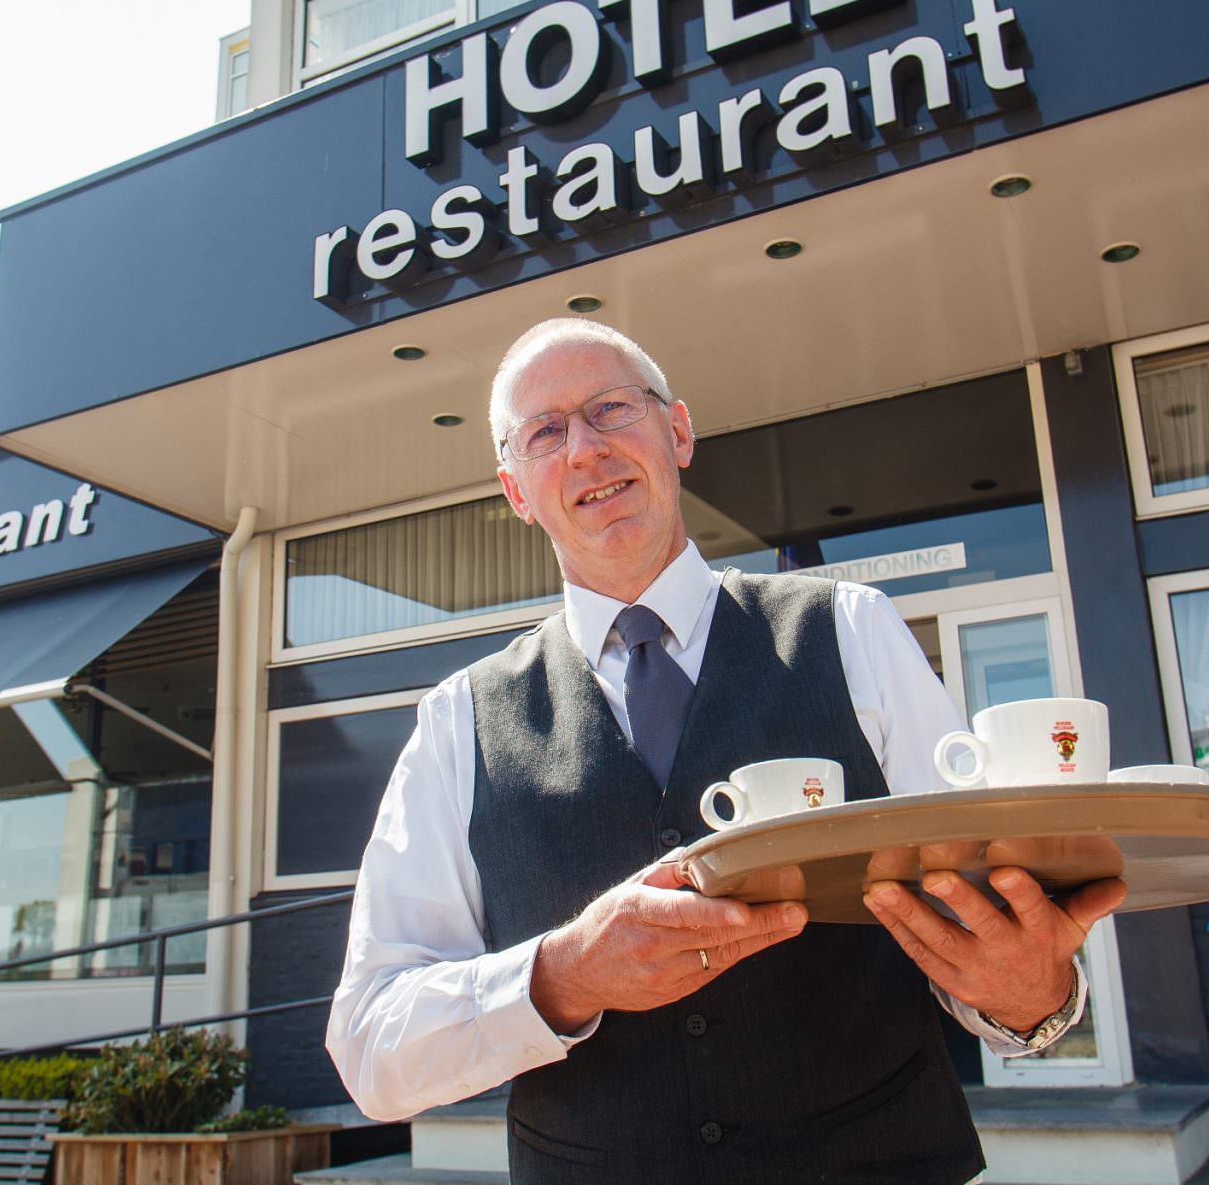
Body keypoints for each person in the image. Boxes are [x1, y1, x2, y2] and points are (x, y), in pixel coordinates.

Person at [326, 319, 1125, 1184]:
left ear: (677, 432)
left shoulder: (849, 631)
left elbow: (988, 928)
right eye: (545, 433)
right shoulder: (459, 722)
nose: (585, 449)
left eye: (610, 409)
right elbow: (370, 1049)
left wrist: (1033, 995)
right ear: (516, 490)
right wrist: (562, 976)